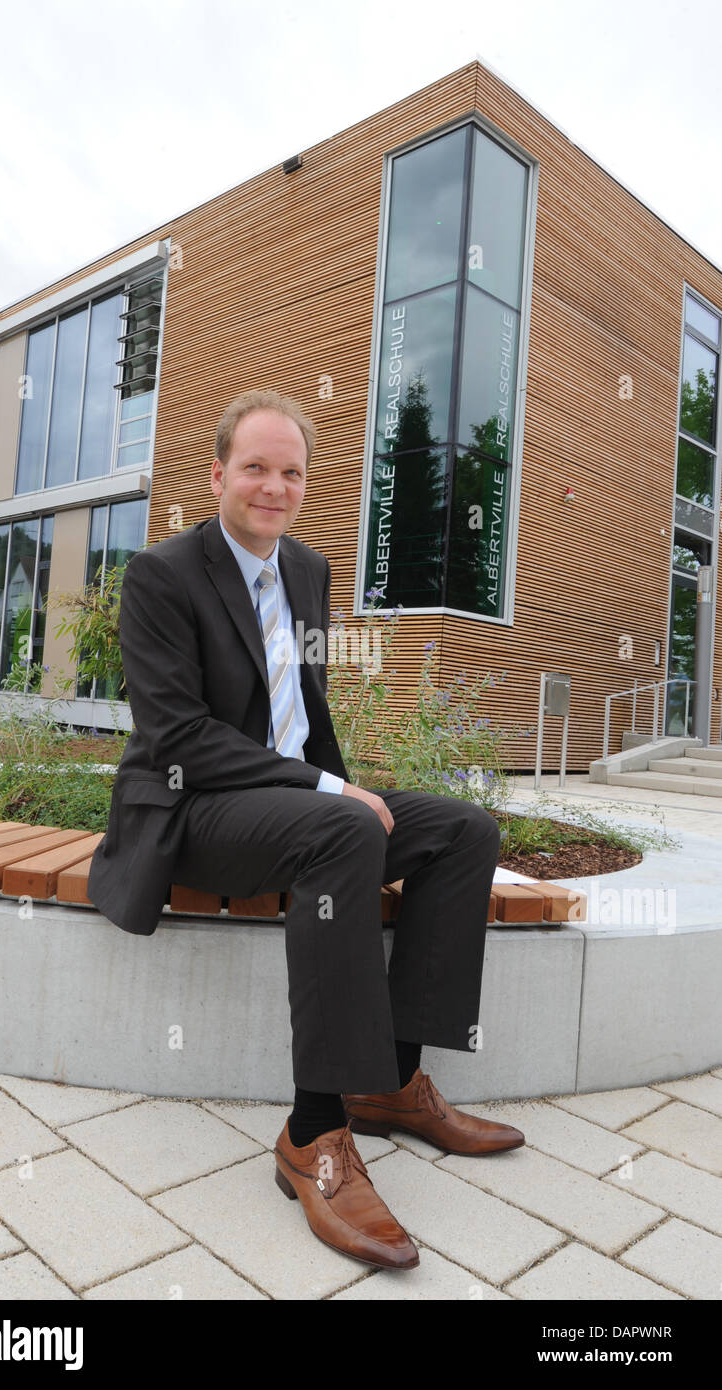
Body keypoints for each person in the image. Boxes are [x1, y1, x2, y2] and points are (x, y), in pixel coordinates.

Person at [87, 387, 525, 1273]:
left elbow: (303, 714)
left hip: (293, 805)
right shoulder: (162, 577)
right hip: (194, 810)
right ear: (217, 474)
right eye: (254, 467)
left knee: (463, 829)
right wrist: (330, 792)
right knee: (343, 832)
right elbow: (180, 738)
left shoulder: (307, 572)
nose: (273, 486)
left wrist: (342, 785)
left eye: (291, 471)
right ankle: (314, 1133)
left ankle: (391, 1084)